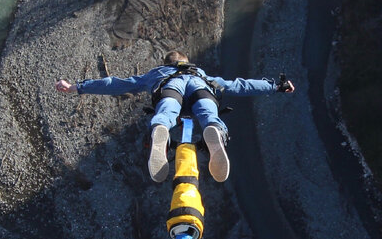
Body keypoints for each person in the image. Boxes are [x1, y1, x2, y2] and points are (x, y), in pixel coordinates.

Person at [55, 51, 294, 183]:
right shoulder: (202, 74)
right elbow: (241, 85)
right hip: (202, 89)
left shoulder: (157, 73)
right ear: (186, 60)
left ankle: (161, 128)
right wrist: (276, 86)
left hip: (168, 88)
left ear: (166, 63)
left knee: (166, 112)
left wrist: (77, 87)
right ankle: (215, 131)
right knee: (209, 115)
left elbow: (116, 84)